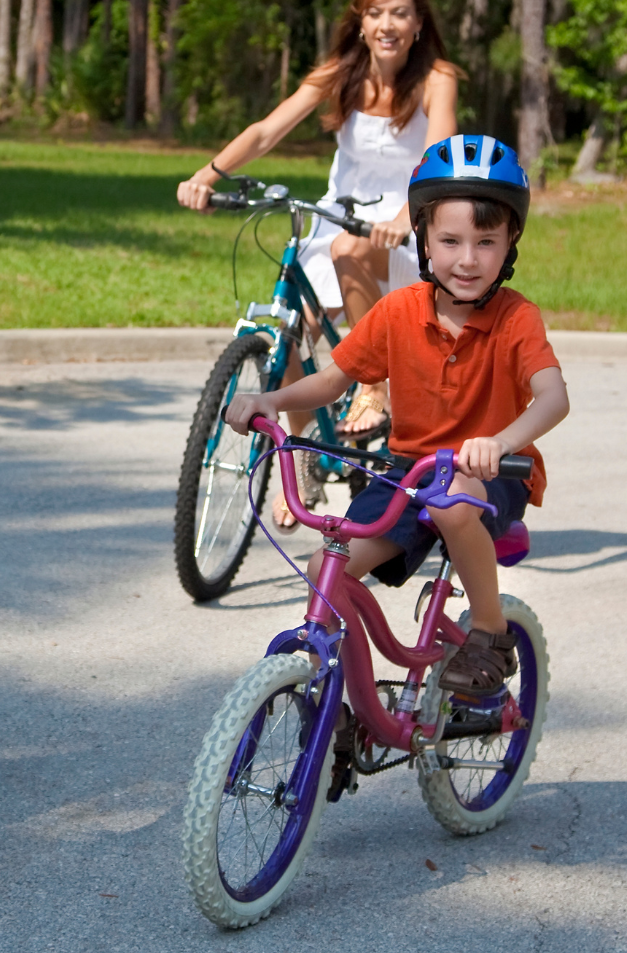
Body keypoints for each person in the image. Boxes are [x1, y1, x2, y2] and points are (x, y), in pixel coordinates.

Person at [224, 135, 570, 695]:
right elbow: (334, 379)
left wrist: (502, 443)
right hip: (409, 471)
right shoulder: (399, 311)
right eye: (450, 240)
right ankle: (338, 682)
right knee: (324, 569)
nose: (467, 259)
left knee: (455, 497)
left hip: (492, 475)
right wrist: (272, 400)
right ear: (424, 241)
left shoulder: (515, 318)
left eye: (486, 242)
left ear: (510, 245)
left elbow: (553, 396)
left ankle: (489, 633)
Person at [176, 0, 461, 518]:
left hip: (404, 225)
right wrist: (208, 175)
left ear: (419, 23)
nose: (387, 24)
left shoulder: (436, 77)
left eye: (400, 13)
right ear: (359, 23)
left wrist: (409, 212)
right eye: (375, 12)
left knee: (349, 251)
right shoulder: (340, 73)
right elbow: (266, 130)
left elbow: (441, 149)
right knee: (288, 329)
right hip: (339, 216)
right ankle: (301, 456)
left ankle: (373, 385)